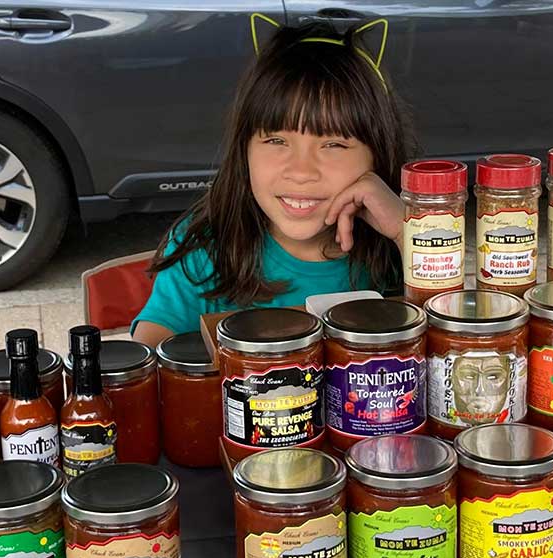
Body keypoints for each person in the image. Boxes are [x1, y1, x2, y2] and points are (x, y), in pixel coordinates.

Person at [130, 22, 415, 347]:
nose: (301, 171)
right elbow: (150, 361)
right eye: (277, 140)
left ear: (377, 156)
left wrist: (407, 229)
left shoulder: (396, 249)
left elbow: (462, 349)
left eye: (333, 144)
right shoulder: (203, 251)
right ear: (244, 150)